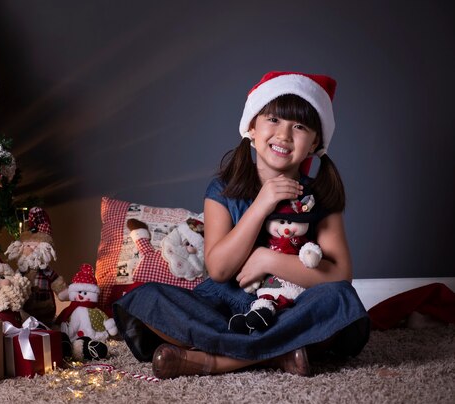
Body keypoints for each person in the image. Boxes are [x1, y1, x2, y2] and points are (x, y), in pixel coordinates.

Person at [112, 71, 370, 379]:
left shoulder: (320, 196)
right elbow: (220, 269)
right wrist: (262, 203)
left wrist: (268, 259)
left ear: (315, 142)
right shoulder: (223, 190)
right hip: (227, 305)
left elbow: (341, 275)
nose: (284, 135)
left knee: (339, 299)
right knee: (148, 297)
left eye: (299, 126)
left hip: (292, 306)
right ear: (252, 126)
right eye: (273, 120)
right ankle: (279, 354)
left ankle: (215, 361)